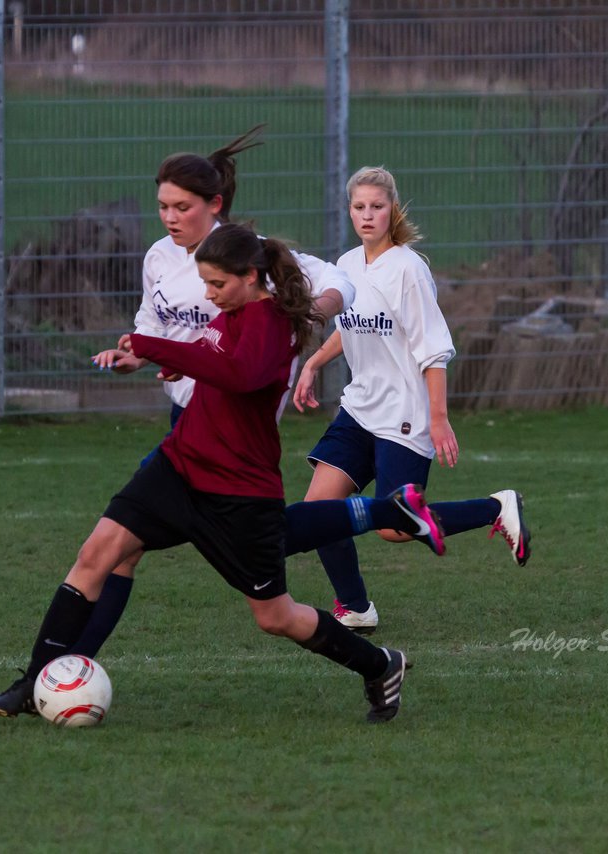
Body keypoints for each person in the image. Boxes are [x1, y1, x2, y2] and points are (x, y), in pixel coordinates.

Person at [0, 224, 445, 723]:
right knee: (97, 552)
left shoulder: (273, 325)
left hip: (238, 491)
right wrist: (153, 357)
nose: (209, 295)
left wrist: (154, 347)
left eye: (217, 285)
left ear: (251, 277)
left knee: (276, 616)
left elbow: (241, 374)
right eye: (205, 284)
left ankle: (379, 664)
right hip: (180, 464)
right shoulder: (234, 310)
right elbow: (212, 358)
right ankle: (33, 681)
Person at [77, 126, 355, 656]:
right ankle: (71, 663)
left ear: (215, 205)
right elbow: (152, 326)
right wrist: (137, 353)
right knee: (117, 551)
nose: (169, 217)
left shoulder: (250, 261)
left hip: (239, 441)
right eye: (162, 206)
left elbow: (337, 282)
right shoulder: (160, 256)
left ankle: (383, 522)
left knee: (273, 587)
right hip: (186, 429)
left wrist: (309, 317)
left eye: (181, 206)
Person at [288, 166, 532, 635]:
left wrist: (438, 418)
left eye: (377, 207)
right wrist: (316, 361)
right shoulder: (347, 265)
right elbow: (351, 325)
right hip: (360, 407)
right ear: (349, 210)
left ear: (392, 210)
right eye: (359, 207)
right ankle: (355, 606)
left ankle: (496, 507)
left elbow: (433, 349)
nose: (367, 215)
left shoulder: (408, 270)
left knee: (395, 527)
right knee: (318, 511)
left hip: (404, 413)